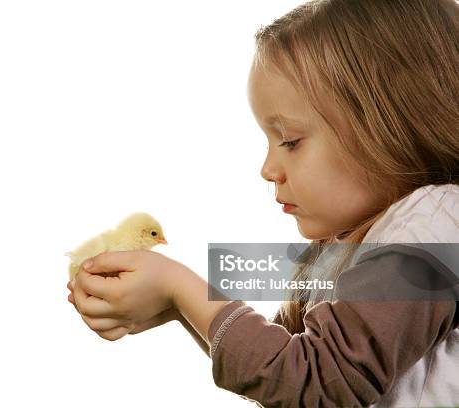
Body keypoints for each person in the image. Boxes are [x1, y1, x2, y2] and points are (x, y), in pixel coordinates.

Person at [67, 0, 459, 406]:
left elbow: (313, 381)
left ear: (390, 122)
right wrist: (176, 307)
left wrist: (184, 291)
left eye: (290, 141)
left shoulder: (436, 226)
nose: (268, 168)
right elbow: (282, 372)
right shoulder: (357, 247)